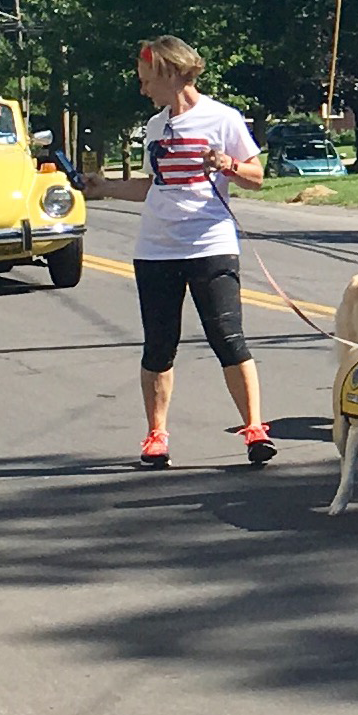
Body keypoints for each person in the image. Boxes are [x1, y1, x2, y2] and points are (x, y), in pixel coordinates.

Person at [80, 35, 273, 468]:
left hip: (211, 243)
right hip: (156, 247)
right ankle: (156, 436)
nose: (143, 89)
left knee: (228, 338)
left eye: (148, 80)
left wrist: (229, 165)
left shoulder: (222, 119)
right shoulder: (155, 126)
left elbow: (256, 177)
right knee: (159, 345)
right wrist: (105, 187)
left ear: (170, 75)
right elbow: (154, 185)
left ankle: (255, 429)